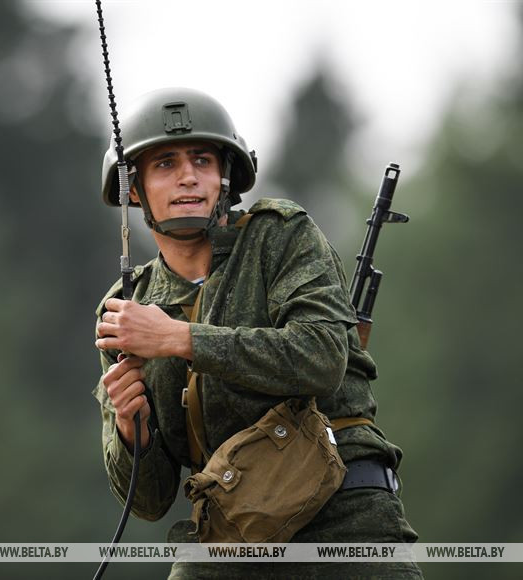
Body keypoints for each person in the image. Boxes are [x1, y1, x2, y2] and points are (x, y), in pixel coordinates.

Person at [93, 87, 421, 579]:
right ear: (132, 189)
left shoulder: (279, 236)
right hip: (234, 537)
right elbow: (150, 501)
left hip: (344, 520)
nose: (187, 176)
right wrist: (130, 427)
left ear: (225, 176)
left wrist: (180, 339)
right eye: (164, 164)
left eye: (202, 160)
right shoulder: (127, 309)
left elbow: (323, 357)